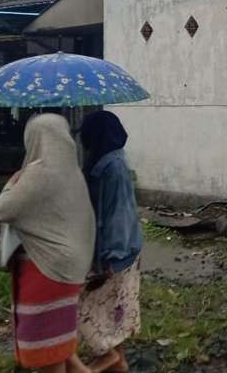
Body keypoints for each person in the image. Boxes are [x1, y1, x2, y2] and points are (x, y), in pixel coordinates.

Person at [0, 114, 95, 373]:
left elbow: (5, 209)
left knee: (46, 347)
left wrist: (13, 181)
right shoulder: (72, 171)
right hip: (70, 269)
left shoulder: (39, 173)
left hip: (45, 270)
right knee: (59, 337)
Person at [77, 111, 144, 373]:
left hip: (116, 253)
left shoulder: (111, 168)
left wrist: (110, 260)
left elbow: (119, 215)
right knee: (115, 308)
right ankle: (118, 362)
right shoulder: (107, 161)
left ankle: (108, 358)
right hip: (116, 251)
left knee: (90, 305)